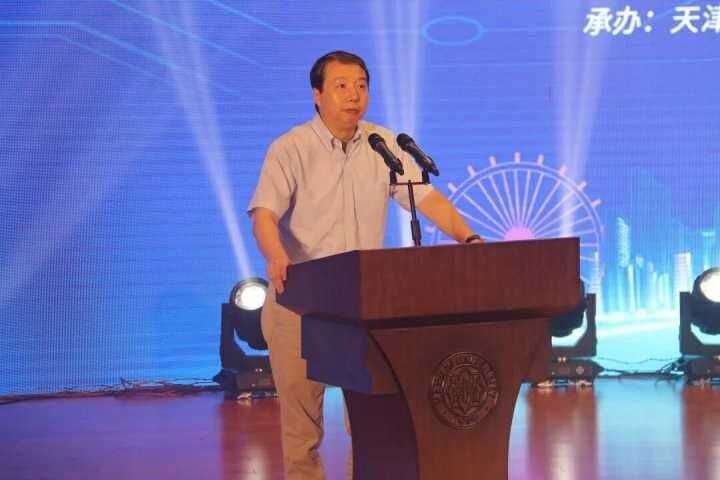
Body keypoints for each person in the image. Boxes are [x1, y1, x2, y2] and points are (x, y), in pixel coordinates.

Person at [248, 50, 482, 480]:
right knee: (302, 430)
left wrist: (468, 238)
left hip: (362, 306)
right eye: (341, 86)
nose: (353, 95)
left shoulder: (383, 145)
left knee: (372, 424)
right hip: (300, 303)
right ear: (317, 94)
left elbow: (426, 199)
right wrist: (276, 255)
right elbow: (264, 213)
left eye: (361, 86)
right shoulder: (290, 148)